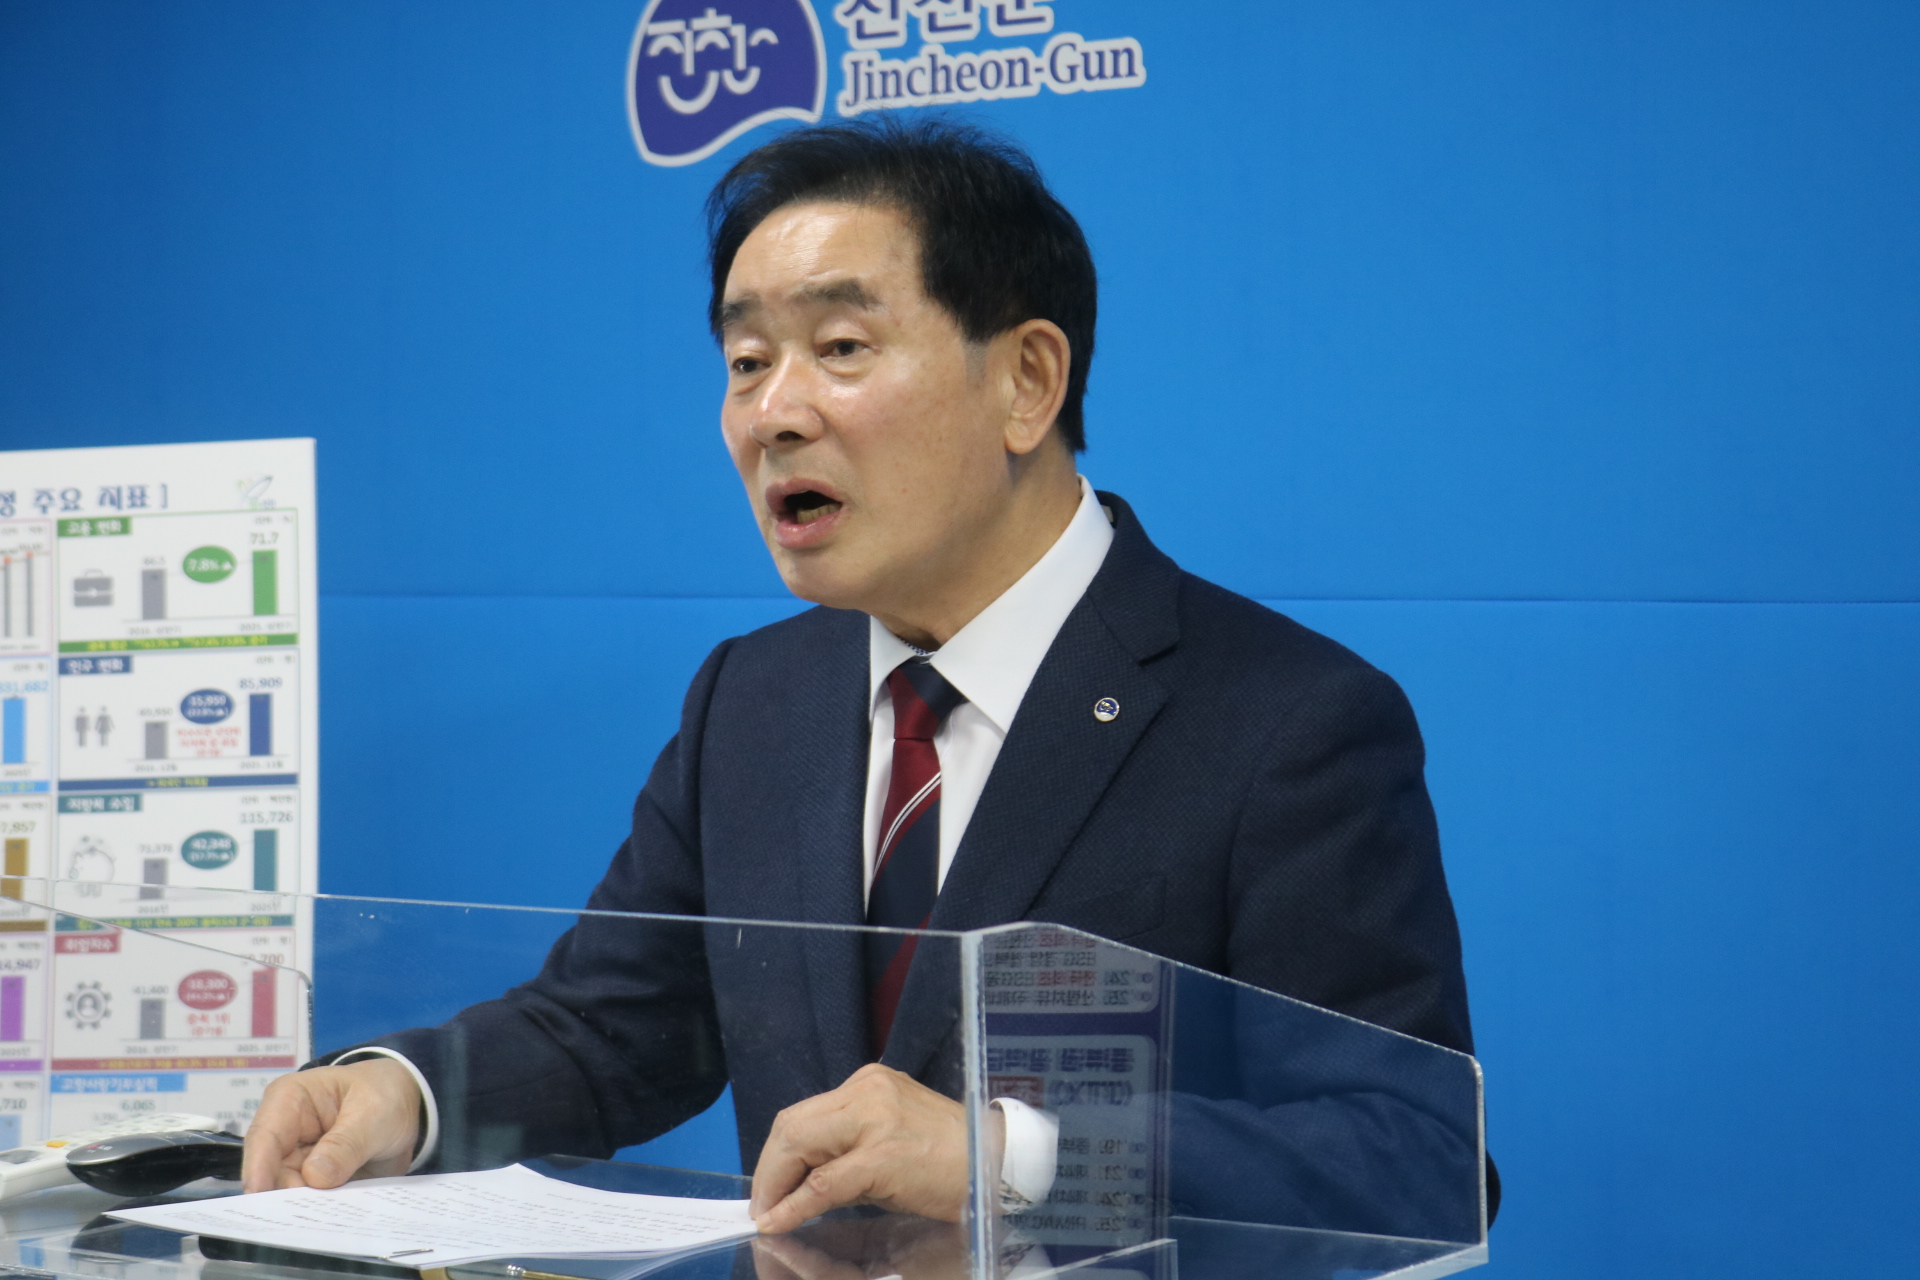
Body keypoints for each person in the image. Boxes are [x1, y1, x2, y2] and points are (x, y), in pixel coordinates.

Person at [242, 117, 1486, 1233]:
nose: (772, 414)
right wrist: (401, 1094)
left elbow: (1415, 1157)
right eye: (746, 360)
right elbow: (611, 1026)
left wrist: (1006, 1156)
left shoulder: (1285, 720)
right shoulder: (752, 700)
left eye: (840, 346)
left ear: (1026, 380)